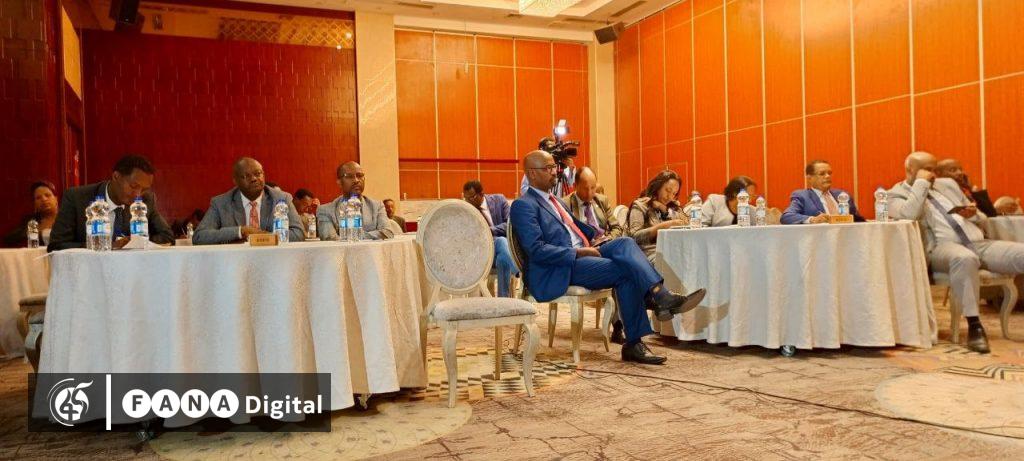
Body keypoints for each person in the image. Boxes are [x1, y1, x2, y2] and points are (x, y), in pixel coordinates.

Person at [510, 150, 706, 365]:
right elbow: (536, 250)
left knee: (625, 243)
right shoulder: (524, 205)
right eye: (548, 168)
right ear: (532, 173)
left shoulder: (555, 201)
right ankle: (640, 332)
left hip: (583, 252)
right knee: (626, 270)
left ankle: (659, 296)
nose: (555, 172)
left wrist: (595, 241)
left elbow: (574, 230)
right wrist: (578, 252)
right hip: (560, 265)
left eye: (554, 167)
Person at [889, 151, 1024, 353]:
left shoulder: (948, 185)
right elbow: (909, 214)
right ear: (910, 170)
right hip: (941, 248)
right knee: (964, 258)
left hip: (978, 242)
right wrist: (921, 184)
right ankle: (975, 326)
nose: (933, 175)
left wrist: (973, 214)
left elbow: (982, 218)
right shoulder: (893, 195)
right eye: (927, 170)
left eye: (934, 169)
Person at [48, 155, 174, 251]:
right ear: (116, 176)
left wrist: (135, 241)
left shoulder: (145, 201)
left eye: (144, 189)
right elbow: (56, 245)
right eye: (133, 186)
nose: (138, 194)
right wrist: (106, 245)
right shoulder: (77, 198)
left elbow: (167, 237)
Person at [192, 157, 303, 245]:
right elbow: (199, 236)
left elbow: (298, 234)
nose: (254, 179)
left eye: (258, 173)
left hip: (273, 260)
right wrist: (241, 231)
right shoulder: (221, 203)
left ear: (263, 175)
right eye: (246, 176)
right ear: (235, 181)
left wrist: (264, 237)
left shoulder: (281, 199)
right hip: (236, 261)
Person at [463, 180, 519, 297]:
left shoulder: (499, 200)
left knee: (502, 258)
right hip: (484, 254)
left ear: (481, 194)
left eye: (472, 198)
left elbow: (511, 224)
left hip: (503, 251)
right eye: (466, 198)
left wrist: (490, 230)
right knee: (501, 241)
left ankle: (503, 300)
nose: (468, 202)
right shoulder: (466, 211)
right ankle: (517, 270)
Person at [317, 161, 393, 241]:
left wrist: (354, 236)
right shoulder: (325, 210)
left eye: (360, 176)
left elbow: (387, 232)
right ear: (339, 182)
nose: (356, 180)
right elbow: (330, 238)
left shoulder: (377, 206)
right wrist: (371, 235)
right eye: (349, 176)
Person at [625, 170, 689, 259]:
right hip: (648, 253)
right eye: (668, 190)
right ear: (658, 186)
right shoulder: (641, 205)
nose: (670, 197)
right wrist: (662, 227)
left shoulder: (671, 207)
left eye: (674, 193)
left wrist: (663, 208)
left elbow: (686, 222)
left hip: (671, 250)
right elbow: (634, 237)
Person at [781, 160, 865, 224]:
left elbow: (857, 219)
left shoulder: (842, 195)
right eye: (822, 174)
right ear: (809, 178)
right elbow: (786, 216)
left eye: (829, 173)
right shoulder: (803, 196)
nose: (827, 176)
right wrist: (813, 219)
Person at [565, 167, 623, 240]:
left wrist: (608, 239)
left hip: (605, 242)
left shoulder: (602, 200)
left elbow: (617, 227)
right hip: (583, 245)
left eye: (593, 188)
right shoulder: (565, 205)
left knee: (627, 241)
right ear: (575, 186)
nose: (589, 193)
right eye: (585, 188)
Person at [3, 181, 59, 247]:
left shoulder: (66, 218)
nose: (44, 199)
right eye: (38, 198)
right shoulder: (31, 221)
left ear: (56, 199)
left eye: (47, 195)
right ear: (35, 203)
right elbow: (8, 239)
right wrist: (35, 232)